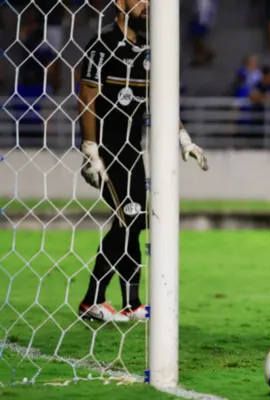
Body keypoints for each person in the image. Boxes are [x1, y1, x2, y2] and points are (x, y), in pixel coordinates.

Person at [77, 0, 208, 322]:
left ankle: (131, 303)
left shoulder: (150, 47)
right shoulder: (102, 43)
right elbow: (87, 96)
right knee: (128, 219)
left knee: (133, 222)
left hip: (133, 151)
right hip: (107, 151)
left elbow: (161, 99)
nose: (149, 5)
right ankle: (91, 301)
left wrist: (183, 137)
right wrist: (90, 148)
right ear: (120, 4)